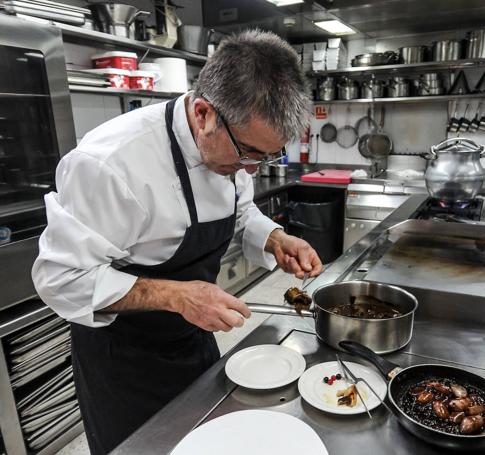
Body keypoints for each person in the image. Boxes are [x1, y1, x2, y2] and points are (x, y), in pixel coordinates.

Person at [32, 29, 322, 454]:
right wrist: (175, 296)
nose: (253, 171)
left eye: (266, 157)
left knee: (205, 439)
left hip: (191, 337)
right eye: (248, 154)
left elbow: (239, 212)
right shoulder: (109, 164)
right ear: (204, 113)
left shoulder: (230, 146)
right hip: (123, 358)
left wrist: (274, 236)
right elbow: (60, 278)